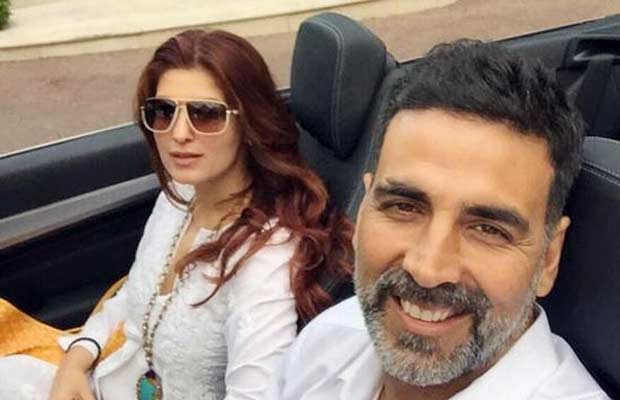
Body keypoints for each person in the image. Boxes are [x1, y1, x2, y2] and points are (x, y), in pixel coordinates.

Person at [0, 29, 352, 400]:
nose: (179, 133)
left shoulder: (262, 260)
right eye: (164, 111)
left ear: (249, 124)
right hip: (97, 382)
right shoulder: (180, 194)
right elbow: (133, 295)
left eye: (206, 114)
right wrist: (77, 358)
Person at [275, 39, 610, 399]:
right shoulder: (328, 339)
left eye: (488, 229)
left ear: (548, 259)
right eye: (404, 207)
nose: (428, 271)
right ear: (363, 209)